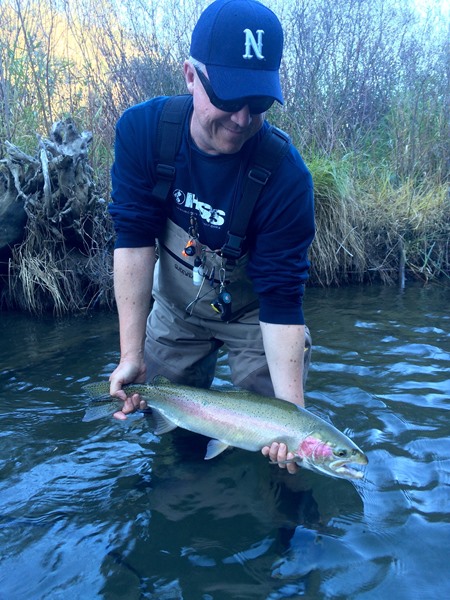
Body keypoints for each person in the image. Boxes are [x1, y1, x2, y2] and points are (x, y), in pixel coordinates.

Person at [108, 0, 315, 473]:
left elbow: (283, 296)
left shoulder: (286, 176)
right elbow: (134, 240)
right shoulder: (143, 133)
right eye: (228, 96)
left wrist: (295, 423)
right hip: (177, 309)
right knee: (170, 428)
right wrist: (130, 355)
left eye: (258, 102)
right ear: (189, 75)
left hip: (254, 316)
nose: (242, 118)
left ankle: (276, 521)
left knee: (272, 449)